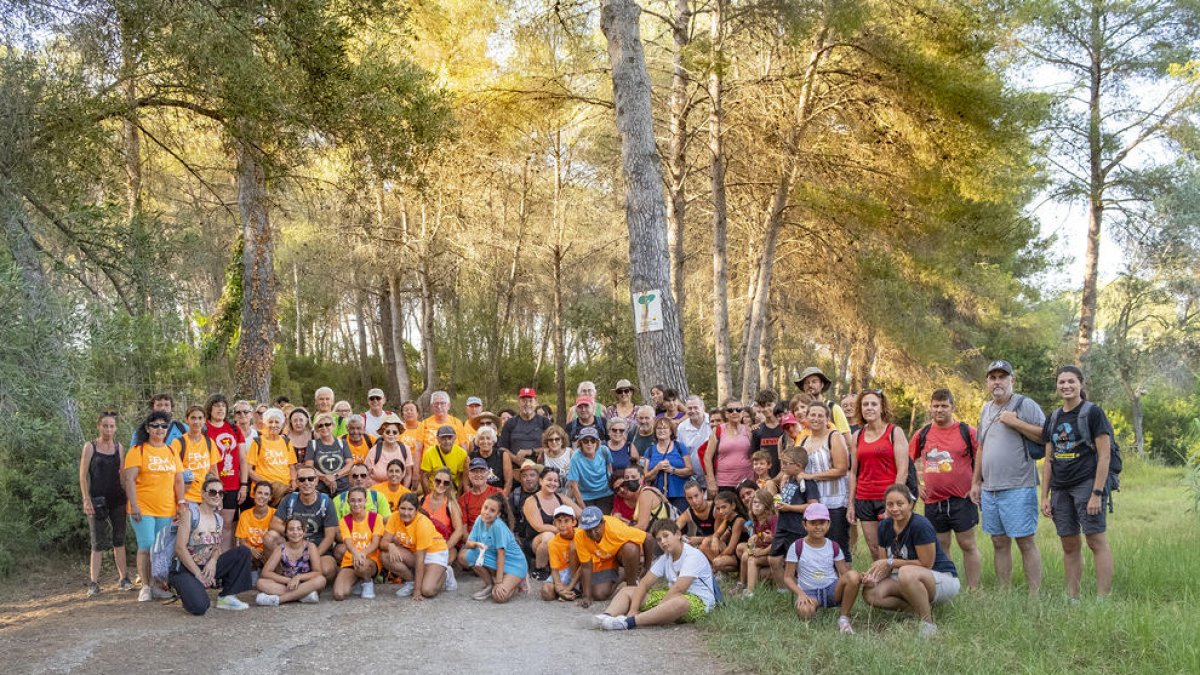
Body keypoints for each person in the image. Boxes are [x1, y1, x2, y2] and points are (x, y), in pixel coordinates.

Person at [971, 359, 1046, 593]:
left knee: (1025, 540)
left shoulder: (1025, 404)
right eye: (992, 378)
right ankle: (1005, 591)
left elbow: (1046, 436)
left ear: (1011, 380)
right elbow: (981, 447)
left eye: (1002, 377)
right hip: (990, 488)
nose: (997, 382)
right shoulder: (986, 409)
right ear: (987, 382)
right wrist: (976, 482)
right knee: (998, 541)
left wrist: (1016, 422)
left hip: (1018, 486)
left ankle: (1035, 595)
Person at [1041, 365, 1114, 600]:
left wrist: (1097, 492)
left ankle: (1102, 598)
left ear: (1081, 384)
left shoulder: (1092, 413)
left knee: (1095, 541)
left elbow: (1105, 454)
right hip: (1060, 488)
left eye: (1071, 381)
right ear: (1057, 386)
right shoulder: (1053, 418)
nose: (1066, 386)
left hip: (1086, 484)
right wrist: (1044, 496)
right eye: (1062, 382)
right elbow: (1049, 459)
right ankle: (1072, 597)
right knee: (1069, 545)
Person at [862, 484, 961, 637]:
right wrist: (872, 578)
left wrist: (891, 562)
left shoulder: (920, 525)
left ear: (911, 504)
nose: (895, 508)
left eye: (900, 503)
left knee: (906, 572)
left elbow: (926, 564)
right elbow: (885, 565)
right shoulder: (883, 526)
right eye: (890, 504)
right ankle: (913, 609)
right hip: (908, 577)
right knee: (870, 593)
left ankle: (928, 624)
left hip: (941, 578)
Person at [909, 389, 981, 589]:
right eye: (936, 406)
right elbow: (907, 460)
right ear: (931, 407)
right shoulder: (922, 434)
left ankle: (974, 588)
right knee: (941, 546)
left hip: (962, 499)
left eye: (944, 406)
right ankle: (949, 585)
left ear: (953, 408)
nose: (939, 410)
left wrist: (978, 483)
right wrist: (916, 484)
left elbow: (983, 458)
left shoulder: (967, 431)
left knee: (967, 544)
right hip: (934, 501)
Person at [591, 520, 717, 630]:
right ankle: (606, 617)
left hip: (698, 601)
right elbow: (644, 584)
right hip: (671, 596)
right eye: (659, 539)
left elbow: (679, 589)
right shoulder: (666, 557)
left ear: (678, 534)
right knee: (627, 591)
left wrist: (659, 608)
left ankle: (628, 622)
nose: (663, 542)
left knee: (679, 602)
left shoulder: (692, 555)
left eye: (666, 536)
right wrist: (633, 609)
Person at [124, 410, 185, 602]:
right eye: (155, 425)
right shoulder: (138, 450)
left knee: (161, 549)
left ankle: (159, 585)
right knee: (147, 545)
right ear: (147, 428)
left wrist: (180, 503)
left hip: (166, 508)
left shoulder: (171, 451)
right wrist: (134, 505)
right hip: (143, 507)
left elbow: (178, 480)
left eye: (164, 426)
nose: (160, 429)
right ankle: (146, 586)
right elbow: (129, 479)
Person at [168, 477, 253, 614]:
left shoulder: (218, 519)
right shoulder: (190, 514)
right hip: (185, 568)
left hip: (206, 567)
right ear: (202, 493)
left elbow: (216, 547)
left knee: (243, 552)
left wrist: (213, 561)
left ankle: (226, 597)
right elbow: (180, 548)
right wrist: (197, 574)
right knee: (200, 607)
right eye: (213, 492)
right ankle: (183, 588)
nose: (217, 496)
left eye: (221, 493)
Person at [848, 389, 910, 561]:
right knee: (875, 548)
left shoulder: (894, 432)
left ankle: (900, 584)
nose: (869, 408)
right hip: (864, 498)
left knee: (895, 546)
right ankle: (881, 585)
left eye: (874, 404)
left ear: (882, 408)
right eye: (865, 404)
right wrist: (851, 504)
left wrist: (894, 502)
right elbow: (853, 472)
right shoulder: (857, 436)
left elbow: (903, 470)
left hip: (888, 498)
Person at [782, 502, 861, 634]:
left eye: (822, 522)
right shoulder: (797, 546)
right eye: (813, 523)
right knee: (805, 612)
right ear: (804, 524)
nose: (818, 527)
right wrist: (800, 594)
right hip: (809, 592)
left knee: (853, 576)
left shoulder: (833, 546)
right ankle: (814, 607)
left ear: (828, 524)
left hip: (832, 589)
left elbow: (844, 573)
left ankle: (844, 617)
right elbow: (788, 577)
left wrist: (858, 577)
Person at [79, 411, 130, 596]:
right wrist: (86, 499)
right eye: (105, 425)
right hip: (96, 500)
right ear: (99, 426)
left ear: (116, 428)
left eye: (111, 426)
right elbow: (83, 476)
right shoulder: (90, 446)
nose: (108, 429)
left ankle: (123, 578)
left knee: (119, 539)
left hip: (117, 499)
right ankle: (93, 582)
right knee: (97, 542)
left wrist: (130, 497)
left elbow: (123, 475)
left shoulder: (119, 447)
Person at [799, 402, 853, 562]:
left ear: (827, 419)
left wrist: (811, 476)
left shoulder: (834, 436)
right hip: (813, 502)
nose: (816, 418)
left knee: (838, 545)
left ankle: (847, 581)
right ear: (807, 418)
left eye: (820, 415)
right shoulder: (803, 441)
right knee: (817, 545)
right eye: (812, 415)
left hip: (834, 501)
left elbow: (841, 469)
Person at [267, 465, 337, 582]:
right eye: (302, 479)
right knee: (270, 537)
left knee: (327, 570)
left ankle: (302, 582)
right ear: (297, 482)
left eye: (310, 479)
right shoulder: (289, 499)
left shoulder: (326, 502)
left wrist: (312, 556)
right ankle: (282, 578)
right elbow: (274, 524)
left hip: (317, 547)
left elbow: (330, 536)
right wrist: (295, 533)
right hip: (293, 547)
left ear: (316, 481)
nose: (306, 482)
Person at [767, 447, 821, 586]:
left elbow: (813, 506)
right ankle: (783, 589)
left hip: (797, 528)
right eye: (782, 463)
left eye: (786, 463)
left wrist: (789, 507)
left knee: (798, 562)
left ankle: (802, 588)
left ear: (798, 466)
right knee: (773, 559)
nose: (783, 466)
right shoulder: (789, 479)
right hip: (782, 525)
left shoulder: (807, 483)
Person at [382, 493, 451, 600]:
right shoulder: (394, 517)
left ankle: (446, 574)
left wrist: (417, 591)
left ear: (417, 510)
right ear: (398, 508)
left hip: (435, 551)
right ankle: (411, 581)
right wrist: (390, 545)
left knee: (427, 591)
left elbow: (420, 559)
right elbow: (383, 543)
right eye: (402, 508)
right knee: (385, 556)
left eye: (410, 509)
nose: (405, 513)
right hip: (414, 552)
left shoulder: (422, 523)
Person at [574, 506, 648, 607]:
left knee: (630, 548)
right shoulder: (580, 536)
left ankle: (631, 585)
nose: (592, 534)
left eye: (596, 528)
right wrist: (586, 596)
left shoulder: (616, 528)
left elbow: (648, 538)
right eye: (588, 531)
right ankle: (623, 574)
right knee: (599, 594)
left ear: (603, 523)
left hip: (620, 554)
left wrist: (647, 568)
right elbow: (586, 566)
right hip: (604, 559)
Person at [463, 493, 529, 602]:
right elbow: (468, 543)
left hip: (515, 564)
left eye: (492, 511)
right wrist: (476, 544)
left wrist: (499, 583)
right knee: (470, 554)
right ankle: (489, 585)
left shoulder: (498, 526)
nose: (487, 512)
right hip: (496, 558)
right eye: (485, 508)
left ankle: (516, 583)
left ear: (498, 514)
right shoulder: (479, 519)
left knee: (499, 597)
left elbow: (501, 555)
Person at [203, 395, 248, 550]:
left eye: (223, 405)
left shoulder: (234, 429)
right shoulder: (204, 429)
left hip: (232, 485)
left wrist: (243, 484)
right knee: (209, 524)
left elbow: (243, 460)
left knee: (227, 524)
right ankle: (208, 560)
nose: (220, 408)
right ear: (209, 409)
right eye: (216, 405)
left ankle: (225, 560)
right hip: (210, 485)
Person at [522, 467, 581, 580]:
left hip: (560, 536)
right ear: (540, 481)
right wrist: (564, 530)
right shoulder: (531, 501)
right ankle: (540, 568)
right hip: (535, 542)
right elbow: (539, 527)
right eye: (549, 479)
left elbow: (580, 514)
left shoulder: (561, 498)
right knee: (549, 535)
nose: (552, 483)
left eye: (555, 481)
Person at [254, 516, 326, 606]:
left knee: (321, 580)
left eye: (299, 529)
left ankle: (279, 600)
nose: (295, 532)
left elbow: (318, 572)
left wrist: (298, 578)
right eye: (291, 529)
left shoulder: (311, 547)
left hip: (306, 583)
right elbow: (266, 572)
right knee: (260, 583)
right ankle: (303, 596)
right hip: (287, 585)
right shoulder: (281, 548)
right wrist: (288, 580)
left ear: (304, 532)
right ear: (286, 533)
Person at [332, 487, 385, 600]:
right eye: (353, 500)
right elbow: (348, 542)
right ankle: (357, 579)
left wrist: (361, 554)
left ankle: (367, 582)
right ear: (348, 502)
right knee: (339, 594)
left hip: (369, 560)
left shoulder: (375, 518)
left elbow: (375, 543)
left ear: (366, 501)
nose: (356, 504)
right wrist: (356, 553)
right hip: (350, 560)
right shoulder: (344, 521)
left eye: (360, 500)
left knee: (361, 565)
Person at [247, 408, 296, 504]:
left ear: (282, 425)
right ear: (265, 424)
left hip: (284, 490)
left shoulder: (286, 442)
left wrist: (293, 481)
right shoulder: (258, 441)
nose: (274, 425)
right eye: (270, 422)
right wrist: (267, 484)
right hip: (264, 490)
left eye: (277, 422)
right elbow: (249, 470)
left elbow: (292, 467)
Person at [174, 406, 221, 506]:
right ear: (187, 420)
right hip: (187, 497)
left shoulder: (209, 442)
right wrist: (179, 500)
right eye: (193, 418)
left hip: (207, 496)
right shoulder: (178, 443)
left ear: (204, 420)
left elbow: (214, 470)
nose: (196, 421)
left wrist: (218, 494)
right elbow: (173, 473)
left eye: (200, 418)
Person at [422, 467, 466, 572]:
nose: (441, 484)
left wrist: (444, 548)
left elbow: (459, 530)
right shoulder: (423, 500)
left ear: (449, 485)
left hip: (444, 544)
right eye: (438, 481)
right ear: (432, 480)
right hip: (424, 543)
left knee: (440, 563)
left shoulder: (450, 504)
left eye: (445, 483)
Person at [645, 417, 693, 512]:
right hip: (657, 495)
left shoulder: (680, 447)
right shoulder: (650, 450)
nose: (661, 431)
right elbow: (646, 477)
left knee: (679, 522)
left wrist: (672, 470)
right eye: (659, 428)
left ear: (671, 431)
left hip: (680, 495)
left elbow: (690, 470)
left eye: (665, 428)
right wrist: (657, 468)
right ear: (655, 431)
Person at [705, 398, 753, 492]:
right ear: (726, 414)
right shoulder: (718, 430)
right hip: (724, 482)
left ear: (742, 413)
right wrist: (711, 482)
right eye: (730, 410)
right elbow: (707, 457)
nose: (734, 412)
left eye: (738, 410)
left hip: (747, 481)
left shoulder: (749, 430)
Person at [794, 367, 852, 441]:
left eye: (814, 381)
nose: (810, 385)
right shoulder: (800, 411)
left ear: (822, 384)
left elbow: (847, 440)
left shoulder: (833, 408)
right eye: (806, 383)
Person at [737, 489, 776, 596]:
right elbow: (760, 542)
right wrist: (755, 541)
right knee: (746, 556)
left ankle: (750, 592)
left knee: (751, 560)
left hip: (774, 553)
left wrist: (761, 552)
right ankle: (742, 584)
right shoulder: (756, 521)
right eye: (755, 502)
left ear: (767, 505)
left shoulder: (773, 519)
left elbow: (776, 543)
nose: (757, 506)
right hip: (764, 550)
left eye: (761, 503)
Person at [304, 412, 353, 496]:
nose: (324, 427)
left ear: (333, 426)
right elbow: (309, 466)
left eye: (327, 424)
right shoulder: (312, 444)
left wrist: (334, 476)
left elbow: (350, 464)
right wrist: (324, 477)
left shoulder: (342, 443)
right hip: (321, 488)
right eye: (320, 426)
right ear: (317, 429)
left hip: (342, 487)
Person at [541, 505, 582, 602]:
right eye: (559, 521)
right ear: (554, 523)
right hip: (563, 570)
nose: (562, 525)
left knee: (574, 547)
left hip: (580, 570)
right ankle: (567, 592)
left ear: (574, 522)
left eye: (566, 521)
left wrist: (568, 587)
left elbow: (585, 564)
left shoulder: (581, 534)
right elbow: (555, 569)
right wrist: (560, 590)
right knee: (546, 593)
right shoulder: (553, 543)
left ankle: (575, 588)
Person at [566, 428, 613, 512]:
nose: (589, 443)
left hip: (605, 493)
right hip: (585, 496)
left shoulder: (604, 450)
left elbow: (609, 469)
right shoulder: (576, 457)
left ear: (597, 442)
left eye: (593, 440)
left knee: (604, 520)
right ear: (581, 442)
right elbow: (574, 485)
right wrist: (583, 507)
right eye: (585, 441)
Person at [365, 413, 414, 486]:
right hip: (377, 491)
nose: (391, 435)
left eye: (394, 432)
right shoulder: (374, 451)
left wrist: (404, 492)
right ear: (382, 433)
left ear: (399, 433)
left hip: (397, 491)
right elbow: (366, 474)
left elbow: (408, 474)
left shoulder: (405, 449)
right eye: (387, 432)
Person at [236, 483, 275, 572]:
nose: (262, 496)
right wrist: (252, 550)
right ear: (253, 494)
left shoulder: (275, 514)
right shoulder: (245, 515)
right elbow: (242, 541)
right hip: (250, 554)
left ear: (270, 498)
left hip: (269, 554)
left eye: (266, 494)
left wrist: (264, 552)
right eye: (259, 493)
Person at [705, 490, 747, 573]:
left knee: (717, 562)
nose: (721, 511)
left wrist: (719, 557)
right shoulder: (727, 518)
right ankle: (724, 570)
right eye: (718, 508)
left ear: (733, 506)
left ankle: (740, 570)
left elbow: (731, 549)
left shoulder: (738, 521)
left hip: (741, 554)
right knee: (708, 542)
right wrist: (715, 539)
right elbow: (717, 533)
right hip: (734, 554)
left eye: (724, 507)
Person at [421, 425, 470, 492]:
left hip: (452, 490)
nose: (447, 441)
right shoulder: (429, 453)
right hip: (434, 489)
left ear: (454, 438)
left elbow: (461, 477)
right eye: (443, 438)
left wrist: (458, 496)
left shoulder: (462, 453)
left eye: (450, 438)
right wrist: (428, 496)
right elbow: (424, 476)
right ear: (438, 439)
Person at [459, 458, 502, 533]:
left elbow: (506, 520)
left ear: (488, 473)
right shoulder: (463, 499)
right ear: (469, 475)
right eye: (474, 471)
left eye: (482, 471)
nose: (478, 475)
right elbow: (463, 531)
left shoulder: (498, 493)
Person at [750, 395, 788, 477]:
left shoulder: (786, 427)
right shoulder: (757, 430)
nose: (766, 409)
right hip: (765, 477)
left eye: (769, 405)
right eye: (763, 406)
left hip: (785, 474)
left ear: (776, 404)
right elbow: (754, 456)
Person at [675, 396, 710, 480]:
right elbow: (680, 453)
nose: (693, 411)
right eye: (689, 408)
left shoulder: (712, 422)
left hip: (713, 475)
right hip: (692, 478)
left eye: (696, 407)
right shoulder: (682, 428)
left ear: (703, 407)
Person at [469, 425, 511, 494]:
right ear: (478, 441)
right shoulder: (471, 457)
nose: (485, 441)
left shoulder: (503, 455)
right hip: (477, 496)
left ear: (493, 441)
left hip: (498, 496)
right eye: (482, 438)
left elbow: (508, 482)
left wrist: (502, 499)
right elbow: (467, 484)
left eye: (488, 438)